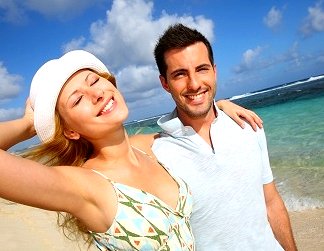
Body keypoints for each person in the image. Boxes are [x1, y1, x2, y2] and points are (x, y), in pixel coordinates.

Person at [0, 50, 261, 250]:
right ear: (70, 131)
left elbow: (192, 124)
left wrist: (220, 108)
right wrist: (28, 125)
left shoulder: (148, 146)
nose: (96, 94)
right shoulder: (83, 185)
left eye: (94, 81)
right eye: (78, 99)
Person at [150, 23, 297, 250]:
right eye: (180, 74)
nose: (195, 83)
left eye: (202, 69)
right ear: (165, 83)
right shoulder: (156, 156)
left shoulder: (248, 125)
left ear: (214, 71)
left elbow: (271, 201)